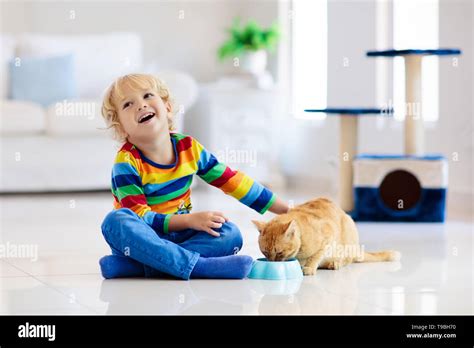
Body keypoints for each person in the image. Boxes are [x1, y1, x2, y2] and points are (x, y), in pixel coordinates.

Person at [99, 74, 289, 280]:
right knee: (116, 220)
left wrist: (287, 210)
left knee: (230, 234)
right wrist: (189, 220)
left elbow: (232, 181)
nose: (141, 105)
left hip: (179, 238)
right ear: (121, 128)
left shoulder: (188, 148)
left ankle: (140, 266)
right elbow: (141, 216)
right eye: (128, 104)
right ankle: (198, 267)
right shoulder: (126, 162)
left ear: (168, 107)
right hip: (143, 237)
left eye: (147, 96)